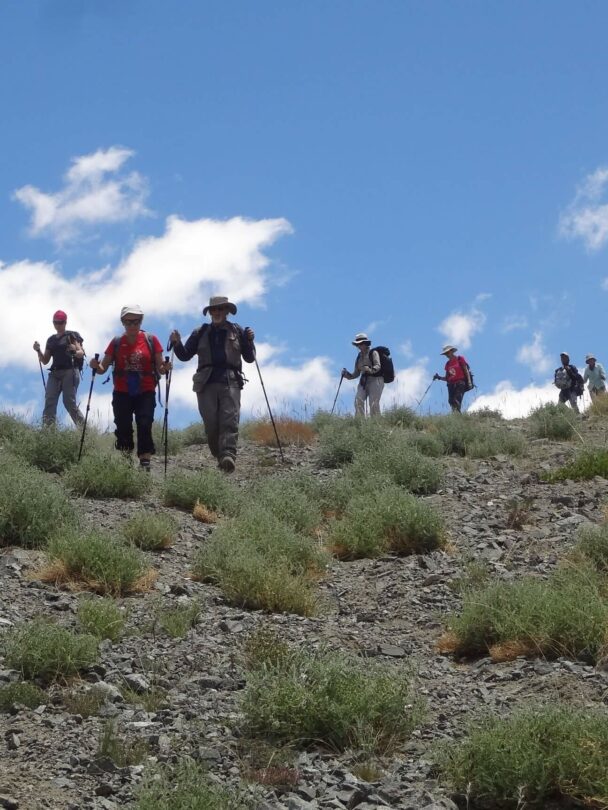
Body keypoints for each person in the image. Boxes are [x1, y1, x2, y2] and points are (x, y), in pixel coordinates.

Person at [169, 296, 255, 473]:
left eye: (220, 309)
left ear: (227, 312)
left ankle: (228, 455)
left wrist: (250, 341)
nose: (216, 313)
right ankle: (219, 456)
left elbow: (249, 358)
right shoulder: (200, 332)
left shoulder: (237, 330)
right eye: (213, 310)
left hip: (230, 379)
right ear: (209, 313)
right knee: (211, 423)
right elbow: (185, 355)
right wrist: (177, 344)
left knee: (229, 418)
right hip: (205, 382)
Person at [90, 306, 171, 471]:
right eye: (128, 322)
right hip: (122, 392)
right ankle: (126, 457)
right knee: (123, 424)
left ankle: (144, 460)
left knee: (145, 421)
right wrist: (95, 365)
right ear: (123, 322)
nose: (133, 325)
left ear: (141, 321)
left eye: (136, 321)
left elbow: (160, 368)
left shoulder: (151, 340)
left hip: (146, 390)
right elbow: (102, 369)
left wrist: (166, 367)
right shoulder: (116, 342)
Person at [33, 310, 85, 426]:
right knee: (50, 400)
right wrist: (38, 350)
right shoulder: (51, 340)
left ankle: (84, 430)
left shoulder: (71, 336)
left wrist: (74, 351)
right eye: (55, 322)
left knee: (68, 402)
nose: (58, 325)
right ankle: (48, 432)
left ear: (65, 322)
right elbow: (45, 360)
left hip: (70, 371)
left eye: (60, 322)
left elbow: (81, 352)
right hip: (55, 373)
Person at [342, 333, 384, 416]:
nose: (358, 346)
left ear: (365, 343)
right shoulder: (359, 356)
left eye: (360, 344)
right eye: (357, 344)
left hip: (376, 380)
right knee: (358, 400)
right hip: (363, 381)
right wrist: (347, 375)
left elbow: (378, 366)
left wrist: (369, 369)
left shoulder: (373, 352)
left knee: (373, 403)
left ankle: (376, 424)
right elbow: (356, 374)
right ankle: (360, 423)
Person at [433, 345, 472, 413]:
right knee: (451, 401)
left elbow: (466, 371)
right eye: (445, 353)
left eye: (447, 352)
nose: (446, 355)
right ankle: (456, 417)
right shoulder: (447, 364)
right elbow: (447, 378)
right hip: (451, 385)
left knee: (456, 400)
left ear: (451, 351)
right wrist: (439, 377)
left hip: (460, 383)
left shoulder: (460, 359)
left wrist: (469, 382)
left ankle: (457, 417)